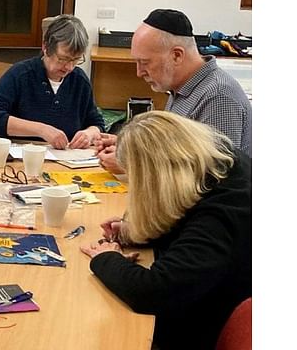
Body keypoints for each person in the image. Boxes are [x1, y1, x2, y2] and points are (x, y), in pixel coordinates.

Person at [80, 111, 251, 350]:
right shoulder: (218, 163)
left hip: (205, 327)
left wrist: (106, 258)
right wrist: (139, 230)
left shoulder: (221, 215)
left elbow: (153, 292)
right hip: (208, 294)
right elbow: (185, 216)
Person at [96, 9, 252, 174]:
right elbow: (177, 151)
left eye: (145, 62)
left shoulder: (218, 96)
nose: (139, 72)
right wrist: (130, 146)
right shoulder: (181, 86)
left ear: (177, 56)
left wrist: (133, 165)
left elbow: (213, 175)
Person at [0, 15, 105, 149]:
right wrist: (41, 130)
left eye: (76, 60)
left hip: (65, 161)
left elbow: (97, 122)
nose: (69, 67)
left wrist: (89, 133)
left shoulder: (79, 81)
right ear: (45, 47)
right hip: (21, 160)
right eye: (63, 59)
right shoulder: (20, 75)